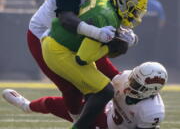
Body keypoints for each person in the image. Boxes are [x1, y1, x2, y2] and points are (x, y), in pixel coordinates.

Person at [40, 0, 148, 128]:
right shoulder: (107, 17)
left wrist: (115, 38)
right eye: (134, 10)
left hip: (63, 46)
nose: (135, 15)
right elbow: (83, 58)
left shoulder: (107, 8)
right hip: (59, 51)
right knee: (106, 91)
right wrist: (110, 45)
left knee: (95, 91)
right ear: (124, 4)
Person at [28, 0, 121, 119]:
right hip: (45, 37)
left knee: (113, 76)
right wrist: (97, 33)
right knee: (72, 89)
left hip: (77, 36)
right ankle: (77, 118)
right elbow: (66, 20)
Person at [2, 61, 168, 129]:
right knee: (56, 103)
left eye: (137, 85)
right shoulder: (125, 78)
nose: (130, 84)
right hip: (105, 115)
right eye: (133, 79)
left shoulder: (151, 111)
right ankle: (26, 106)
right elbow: (104, 66)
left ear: (151, 90)